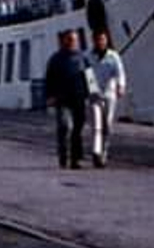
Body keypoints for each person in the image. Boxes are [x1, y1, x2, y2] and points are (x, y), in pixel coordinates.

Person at [43, 28, 94, 169]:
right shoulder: (56, 59)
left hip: (79, 98)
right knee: (65, 127)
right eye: (70, 39)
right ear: (64, 41)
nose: (73, 42)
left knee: (78, 129)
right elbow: (49, 79)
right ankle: (63, 156)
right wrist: (49, 96)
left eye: (75, 40)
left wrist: (93, 94)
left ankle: (75, 159)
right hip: (62, 99)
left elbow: (90, 78)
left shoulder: (83, 58)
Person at [88, 30, 128, 168]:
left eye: (103, 39)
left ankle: (104, 151)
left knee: (107, 126)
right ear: (94, 41)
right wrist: (92, 90)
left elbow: (120, 72)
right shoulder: (89, 55)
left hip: (109, 94)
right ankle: (96, 152)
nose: (101, 42)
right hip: (95, 95)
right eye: (99, 40)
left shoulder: (113, 56)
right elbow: (88, 74)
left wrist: (121, 86)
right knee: (96, 125)